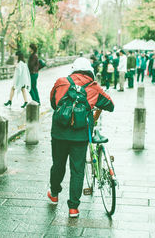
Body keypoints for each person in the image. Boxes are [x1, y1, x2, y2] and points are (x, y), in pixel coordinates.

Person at [48, 57, 114, 218]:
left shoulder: (61, 82)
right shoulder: (94, 87)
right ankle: (73, 208)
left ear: (74, 69)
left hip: (59, 133)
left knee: (58, 165)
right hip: (80, 135)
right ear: (90, 71)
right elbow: (110, 105)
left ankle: (54, 194)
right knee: (77, 170)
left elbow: (53, 103)